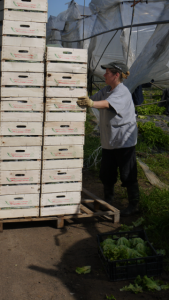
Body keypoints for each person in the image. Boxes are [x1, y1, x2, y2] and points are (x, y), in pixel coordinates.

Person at [77, 61, 139, 216]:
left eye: (107, 73)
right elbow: (94, 100)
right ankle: (109, 201)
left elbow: (105, 104)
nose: (104, 75)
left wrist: (91, 103)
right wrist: (85, 100)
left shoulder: (122, 92)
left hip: (124, 141)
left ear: (116, 75)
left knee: (127, 174)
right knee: (107, 173)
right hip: (109, 141)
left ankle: (134, 205)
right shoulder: (106, 90)